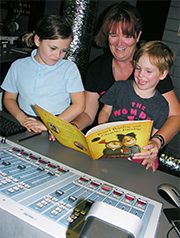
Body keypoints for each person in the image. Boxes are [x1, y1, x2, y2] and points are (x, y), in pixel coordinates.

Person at [71, 1, 180, 169]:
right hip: (108, 149)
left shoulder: (152, 69)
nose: (119, 42)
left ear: (138, 36)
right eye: (114, 35)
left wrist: (157, 142)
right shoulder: (97, 69)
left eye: (127, 36)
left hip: (140, 154)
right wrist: (73, 127)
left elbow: (176, 116)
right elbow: (88, 114)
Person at [98, 40, 176, 170]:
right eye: (138, 68)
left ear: (163, 74)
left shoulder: (162, 105)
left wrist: (151, 155)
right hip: (111, 143)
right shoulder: (119, 87)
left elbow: (154, 137)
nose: (141, 75)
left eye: (149, 71)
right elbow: (105, 111)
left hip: (138, 152)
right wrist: (101, 128)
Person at [1, 15, 85, 133]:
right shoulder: (18, 66)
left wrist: (51, 125)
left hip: (59, 122)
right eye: (53, 48)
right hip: (26, 123)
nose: (58, 55)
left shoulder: (69, 69)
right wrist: (22, 118)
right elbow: (9, 98)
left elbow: (79, 105)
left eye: (64, 50)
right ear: (37, 40)